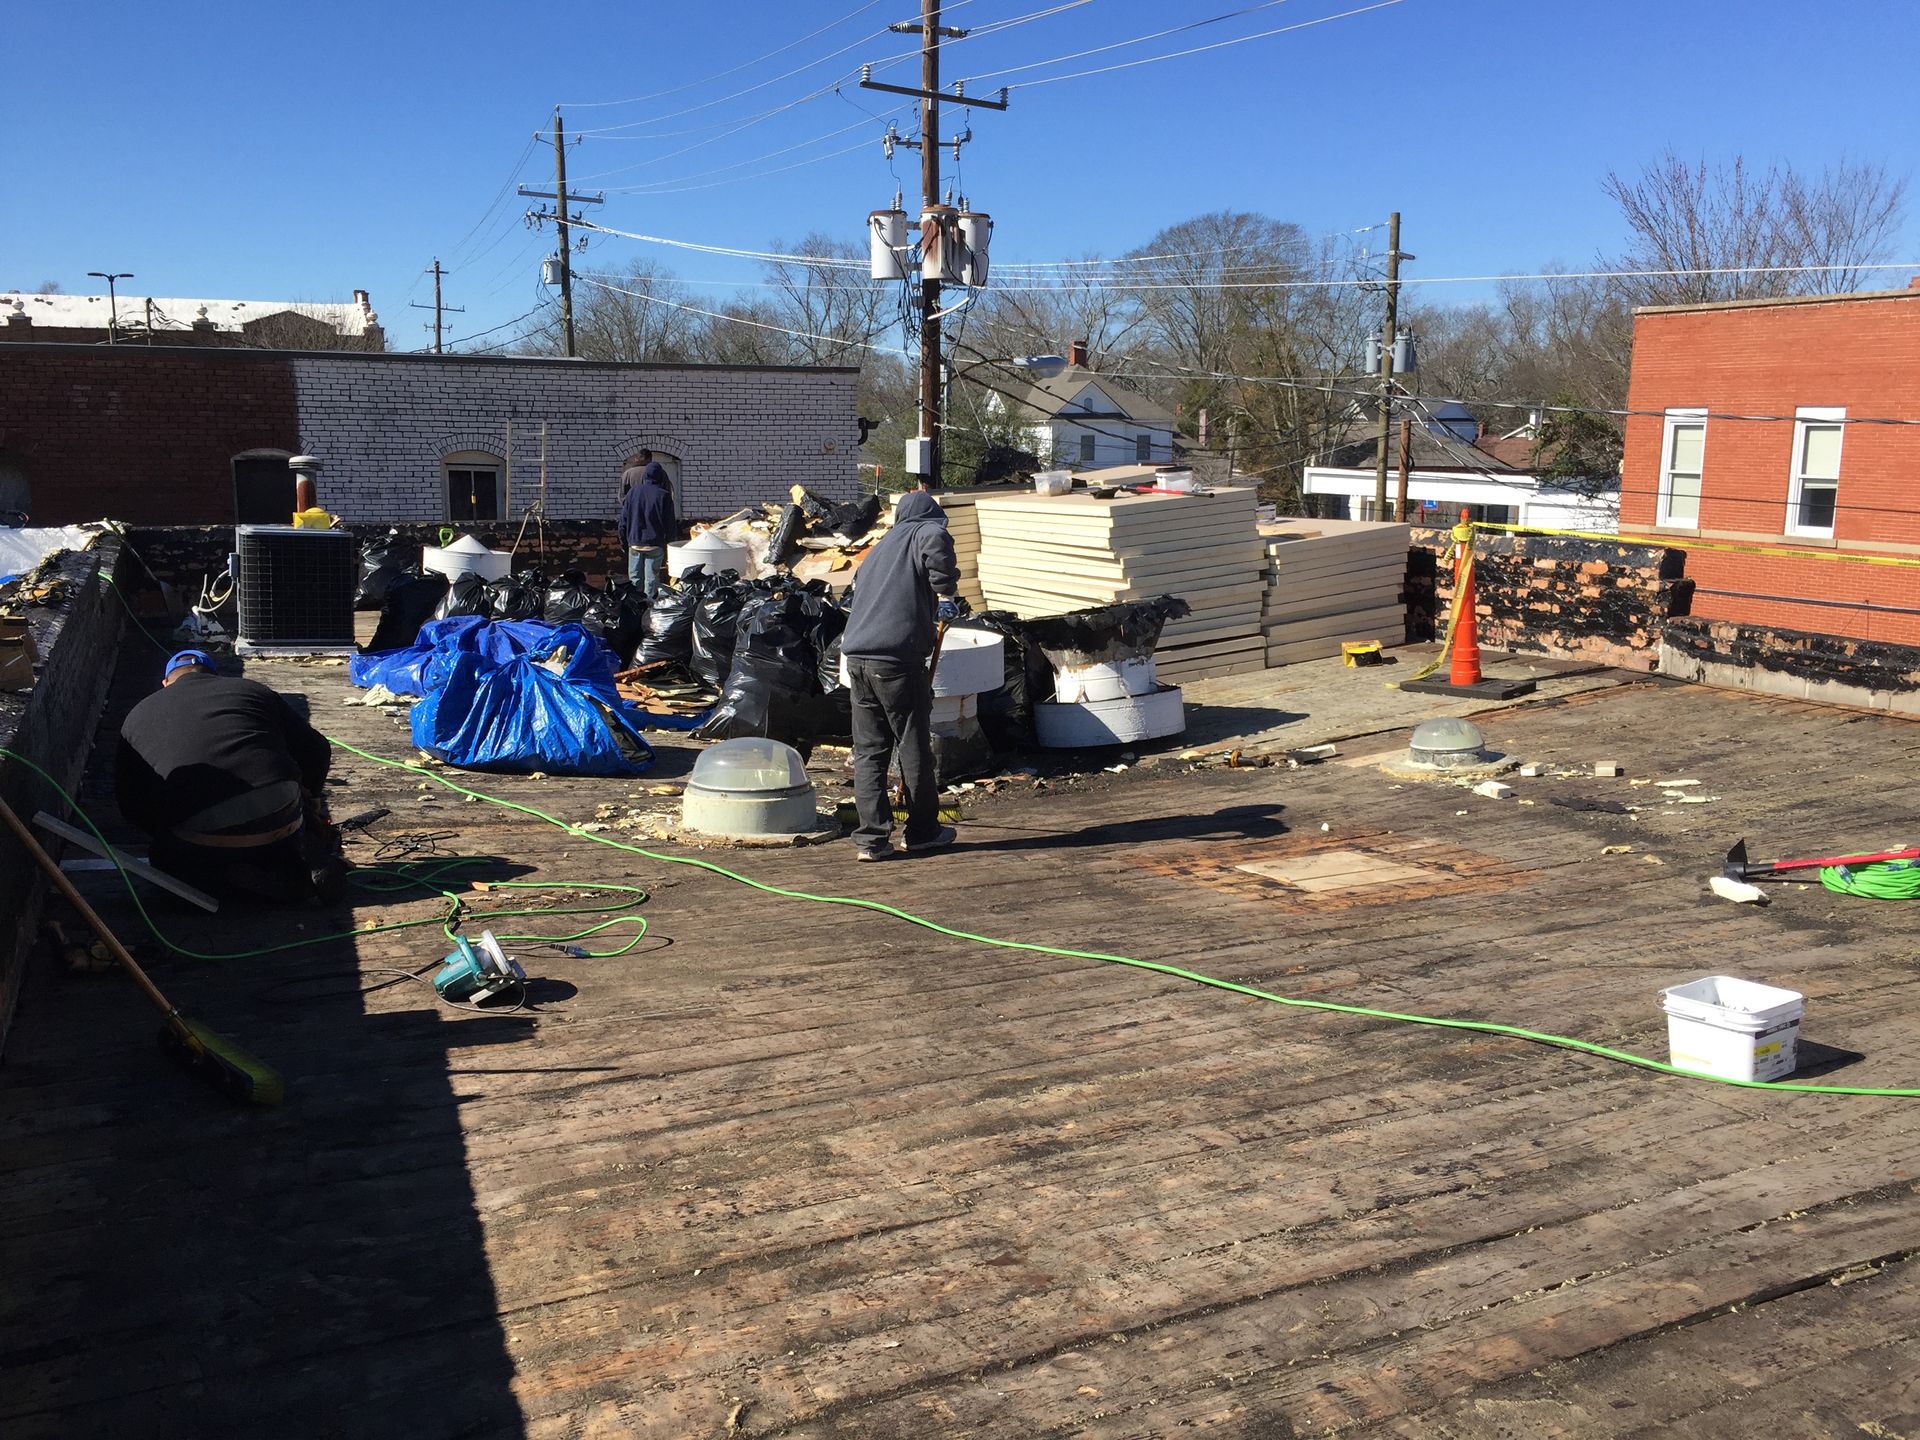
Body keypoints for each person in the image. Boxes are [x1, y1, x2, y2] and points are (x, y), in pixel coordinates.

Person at [114, 650, 345, 904]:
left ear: (166, 683)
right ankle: (289, 867)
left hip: (201, 837)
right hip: (279, 818)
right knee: (280, 836)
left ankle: (231, 879)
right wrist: (309, 799)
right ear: (215, 676)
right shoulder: (251, 690)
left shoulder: (138, 713)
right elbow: (317, 749)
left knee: (163, 859)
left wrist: (166, 830)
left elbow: (130, 802)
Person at [840, 490, 961, 862]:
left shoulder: (879, 549)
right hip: (896, 660)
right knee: (913, 747)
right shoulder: (924, 531)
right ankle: (923, 831)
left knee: (869, 752)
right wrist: (945, 593)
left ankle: (871, 840)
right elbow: (936, 545)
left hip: (858, 659)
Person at [618, 450, 676, 595]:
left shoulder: (633, 492)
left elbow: (623, 519)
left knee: (634, 578)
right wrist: (669, 543)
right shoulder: (664, 495)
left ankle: (635, 606)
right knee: (652, 578)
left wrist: (623, 540)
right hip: (655, 544)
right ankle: (649, 609)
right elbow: (670, 523)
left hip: (635, 541)